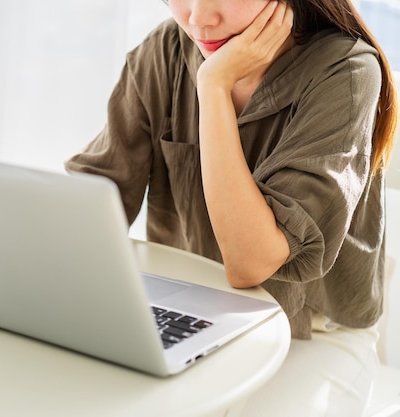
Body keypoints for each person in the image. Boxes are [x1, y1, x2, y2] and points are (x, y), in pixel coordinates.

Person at [65, 0, 398, 416]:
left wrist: (214, 89)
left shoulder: (345, 72)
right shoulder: (166, 50)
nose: (199, 18)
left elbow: (250, 262)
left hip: (311, 335)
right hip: (191, 309)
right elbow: (95, 201)